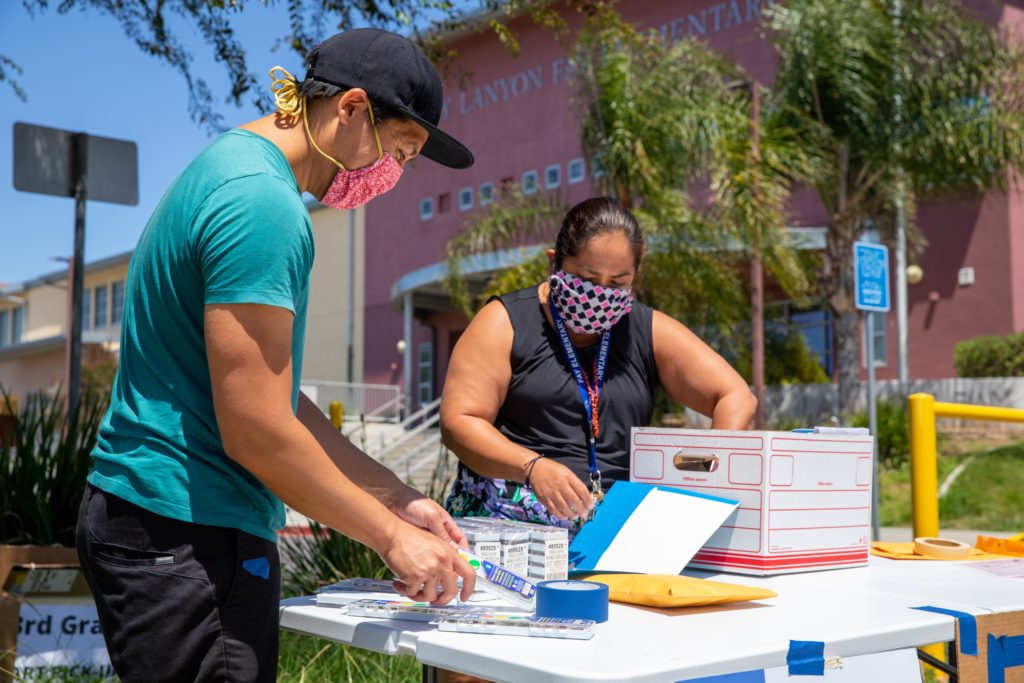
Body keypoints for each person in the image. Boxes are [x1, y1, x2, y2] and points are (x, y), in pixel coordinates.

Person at [75, 28, 476, 683]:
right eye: (399, 152)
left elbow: (274, 401)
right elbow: (258, 431)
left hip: (159, 520)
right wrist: (388, 536)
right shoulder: (264, 205)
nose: (395, 176)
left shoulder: (230, 167)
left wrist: (397, 496)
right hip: (188, 531)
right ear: (348, 109)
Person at [442, 196, 757, 529]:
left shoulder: (645, 329)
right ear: (554, 264)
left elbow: (734, 395)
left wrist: (716, 471)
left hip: (615, 529)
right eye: (588, 279)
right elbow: (459, 422)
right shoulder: (504, 322)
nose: (600, 293)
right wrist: (531, 466)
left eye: (617, 283)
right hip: (510, 526)